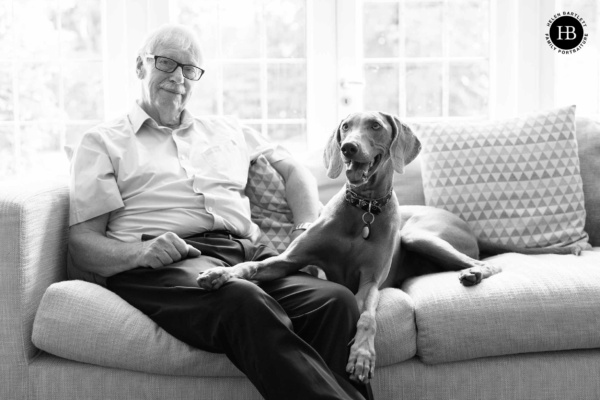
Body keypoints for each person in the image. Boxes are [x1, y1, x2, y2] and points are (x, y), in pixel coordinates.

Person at [67, 24, 372, 400]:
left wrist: (305, 233)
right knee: (240, 299)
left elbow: (293, 170)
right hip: (165, 265)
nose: (178, 78)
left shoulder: (228, 129)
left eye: (189, 69)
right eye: (166, 63)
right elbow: (82, 244)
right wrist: (140, 253)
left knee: (336, 302)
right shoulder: (103, 141)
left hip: (245, 256)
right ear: (139, 66)